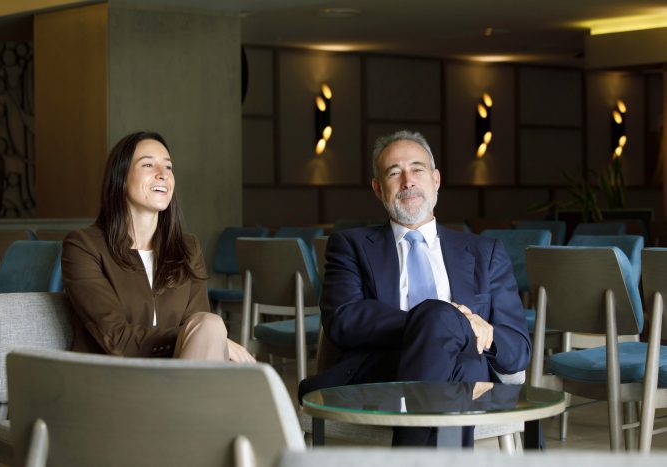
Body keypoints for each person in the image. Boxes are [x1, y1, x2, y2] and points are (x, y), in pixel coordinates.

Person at [301, 130, 531, 447]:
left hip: (465, 372)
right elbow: (344, 320)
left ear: (436, 180)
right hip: (381, 373)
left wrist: (486, 333)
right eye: (394, 173)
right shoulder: (351, 245)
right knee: (460, 358)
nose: (408, 181)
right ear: (378, 188)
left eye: (417, 169)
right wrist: (443, 322)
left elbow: (517, 348)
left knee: (462, 362)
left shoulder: (484, 252)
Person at [62, 131, 254, 363]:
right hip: (112, 378)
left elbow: (201, 329)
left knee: (210, 324)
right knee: (210, 328)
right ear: (120, 177)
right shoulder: (84, 246)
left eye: (169, 167)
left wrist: (206, 335)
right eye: (148, 165)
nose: (163, 174)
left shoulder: (188, 248)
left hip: (178, 376)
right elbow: (116, 338)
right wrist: (196, 336)